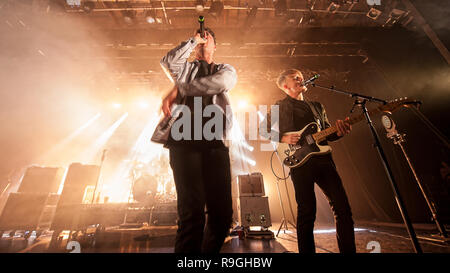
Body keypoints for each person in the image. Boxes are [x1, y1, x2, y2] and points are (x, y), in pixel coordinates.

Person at [152, 28, 237, 253]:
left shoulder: (225, 70)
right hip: (183, 141)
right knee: (191, 214)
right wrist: (193, 41)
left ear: (214, 46)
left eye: (208, 37)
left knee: (222, 215)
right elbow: (168, 61)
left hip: (214, 141)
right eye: (200, 36)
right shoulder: (185, 70)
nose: (203, 39)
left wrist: (180, 90)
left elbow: (218, 84)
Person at [260, 69, 356, 253]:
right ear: (285, 86)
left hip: (324, 160)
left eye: (301, 77)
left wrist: (339, 131)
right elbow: (262, 129)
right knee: (307, 212)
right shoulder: (280, 106)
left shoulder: (317, 106)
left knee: (343, 209)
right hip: (299, 162)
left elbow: (328, 133)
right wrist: (282, 137)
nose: (300, 79)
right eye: (295, 78)